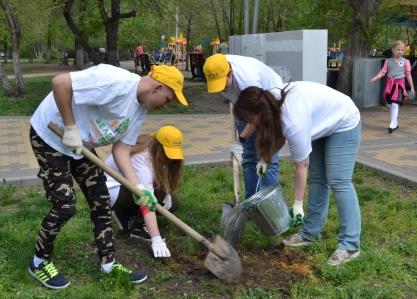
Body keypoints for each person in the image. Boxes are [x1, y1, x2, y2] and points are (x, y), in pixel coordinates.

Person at [28, 63, 188, 289]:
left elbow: (121, 149)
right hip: (51, 135)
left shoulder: (139, 109)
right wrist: (71, 127)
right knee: (64, 206)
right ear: (157, 87)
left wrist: (138, 188)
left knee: (101, 200)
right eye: (168, 99)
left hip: (79, 144)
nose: (165, 106)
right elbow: (60, 83)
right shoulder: (114, 81)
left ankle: (108, 264)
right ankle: (39, 261)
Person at [233, 81, 362, 266]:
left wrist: (298, 203)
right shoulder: (268, 101)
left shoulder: (293, 120)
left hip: (343, 120)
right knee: (318, 179)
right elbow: (277, 133)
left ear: (260, 114)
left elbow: (302, 165)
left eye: (249, 120)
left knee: (338, 181)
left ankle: (350, 244)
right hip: (319, 120)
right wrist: (264, 158)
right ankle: (310, 233)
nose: (249, 125)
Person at [203, 54, 284, 198]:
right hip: (247, 104)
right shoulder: (215, 65)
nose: (221, 90)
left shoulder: (248, 79)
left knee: (267, 160)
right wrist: (241, 143)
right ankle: (252, 204)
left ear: (230, 74)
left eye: (223, 84)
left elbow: (258, 115)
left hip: (269, 104)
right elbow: (238, 105)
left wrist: (241, 140)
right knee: (249, 158)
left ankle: (271, 206)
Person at [105, 126, 185, 258]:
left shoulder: (152, 146)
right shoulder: (142, 158)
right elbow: (146, 201)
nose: (170, 159)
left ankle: (125, 214)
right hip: (109, 191)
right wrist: (156, 238)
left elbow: (158, 180)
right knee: (154, 196)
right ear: (159, 147)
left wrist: (165, 194)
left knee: (172, 203)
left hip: (125, 187)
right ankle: (138, 227)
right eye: (167, 153)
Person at [370, 40, 415, 133]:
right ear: (393, 50)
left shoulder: (406, 62)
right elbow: (383, 72)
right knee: (391, 104)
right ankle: (395, 123)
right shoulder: (388, 61)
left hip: (400, 85)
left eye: (402, 50)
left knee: (395, 103)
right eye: (398, 49)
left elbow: (408, 74)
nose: (400, 52)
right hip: (390, 85)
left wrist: (412, 87)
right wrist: (376, 77)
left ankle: (392, 124)